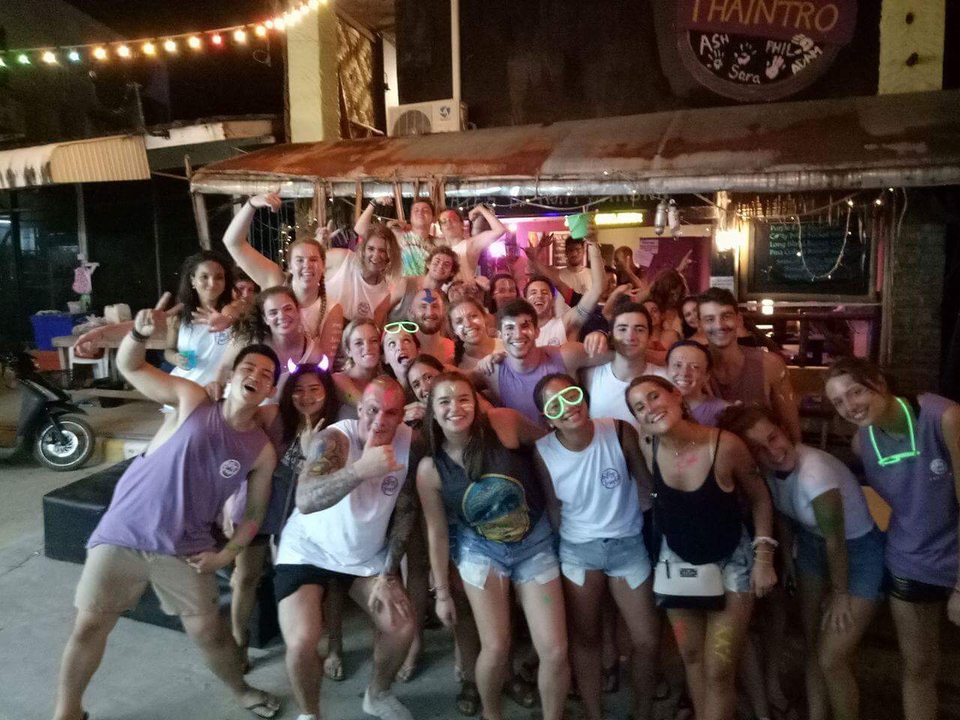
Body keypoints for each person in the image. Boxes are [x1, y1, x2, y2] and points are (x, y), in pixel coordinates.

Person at [53, 296, 281, 720]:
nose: (256, 375)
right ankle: (67, 712)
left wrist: (226, 555)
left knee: (211, 634)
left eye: (267, 375)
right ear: (230, 376)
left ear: (270, 390)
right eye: (249, 368)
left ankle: (241, 689)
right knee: (88, 626)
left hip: (184, 547)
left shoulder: (260, 450)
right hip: (124, 531)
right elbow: (132, 366)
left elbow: (254, 515)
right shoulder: (193, 399)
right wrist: (139, 333)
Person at [417, 371, 570, 720]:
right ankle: (492, 714)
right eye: (444, 401)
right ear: (432, 410)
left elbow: (549, 443)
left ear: (476, 402)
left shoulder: (504, 424)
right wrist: (441, 593)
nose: (454, 407)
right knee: (497, 647)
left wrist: (554, 501)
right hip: (481, 552)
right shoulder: (430, 469)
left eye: (462, 398)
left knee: (556, 649)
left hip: (536, 545)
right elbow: (437, 533)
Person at [719, 404, 884, 720]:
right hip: (810, 546)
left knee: (831, 657)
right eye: (760, 449)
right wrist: (791, 559)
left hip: (857, 552)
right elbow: (782, 511)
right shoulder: (766, 473)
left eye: (774, 437)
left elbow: (836, 541)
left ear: (783, 429)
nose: (774, 452)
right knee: (811, 643)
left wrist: (839, 594)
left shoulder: (815, 474)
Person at [626, 374, 777, 720]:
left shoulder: (724, 445)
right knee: (692, 659)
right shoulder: (649, 447)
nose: (649, 408)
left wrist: (763, 558)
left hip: (731, 564)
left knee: (718, 669)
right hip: (678, 562)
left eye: (653, 396)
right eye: (639, 406)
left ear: (677, 396)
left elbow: (760, 499)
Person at [276, 377, 420, 720]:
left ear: (401, 416)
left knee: (401, 627)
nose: (380, 420)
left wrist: (389, 571)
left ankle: (377, 694)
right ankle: (310, 714)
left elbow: (407, 508)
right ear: (359, 410)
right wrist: (359, 470)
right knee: (302, 641)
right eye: (372, 410)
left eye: (390, 412)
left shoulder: (410, 443)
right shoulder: (335, 438)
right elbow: (306, 499)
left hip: (362, 556)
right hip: (308, 548)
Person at [825, 357, 960, 720]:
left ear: (879, 383)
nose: (850, 406)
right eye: (838, 402)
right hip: (910, 560)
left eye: (855, 391)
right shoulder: (861, 443)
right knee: (918, 667)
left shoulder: (943, 417)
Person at [532, 374, 660, 720]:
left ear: (583, 395)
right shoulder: (542, 451)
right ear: (546, 417)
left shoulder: (619, 431)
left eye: (571, 396)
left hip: (628, 547)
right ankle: (593, 712)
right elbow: (553, 508)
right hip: (579, 552)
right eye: (553, 405)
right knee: (585, 639)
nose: (567, 407)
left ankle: (642, 711)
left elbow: (647, 487)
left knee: (647, 639)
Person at [227, 362, 339, 673]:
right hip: (259, 510)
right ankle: (239, 640)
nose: (306, 397)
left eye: (315, 389)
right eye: (298, 390)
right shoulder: (274, 416)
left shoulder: (334, 429)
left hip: (301, 519)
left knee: (312, 581)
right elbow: (235, 425)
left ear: (327, 393)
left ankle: (319, 643)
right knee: (246, 578)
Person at [221, 193, 343, 361]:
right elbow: (233, 242)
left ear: (323, 266)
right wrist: (251, 205)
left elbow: (324, 363)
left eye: (313, 259)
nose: (307, 265)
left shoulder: (331, 307)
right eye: (300, 260)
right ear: (290, 267)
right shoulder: (274, 280)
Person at [471, 299, 609, 426]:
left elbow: (618, 356)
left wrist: (602, 335)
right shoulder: (492, 371)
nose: (518, 334)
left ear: (537, 332)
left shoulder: (565, 355)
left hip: (572, 444)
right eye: (510, 328)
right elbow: (454, 381)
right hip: (526, 451)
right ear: (500, 336)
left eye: (525, 326)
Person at [697, 287, 801, 443]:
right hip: (714, 457)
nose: (719, 325)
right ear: (700, 325)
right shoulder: (693, 368)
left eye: (726, 316)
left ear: (739, 319)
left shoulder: (770, 364)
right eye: (710, 319)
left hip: (764, 457)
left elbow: (792, 429)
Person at [215, 287, 323, 403]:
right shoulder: (250, 341)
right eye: (273, 312)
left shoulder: (313, 354)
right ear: (265, 319)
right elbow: (224, 368)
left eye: (288, 309)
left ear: (298, 311)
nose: (282, 316)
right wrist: (215, 396)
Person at [583, 302, 669, 425]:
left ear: (649, 336)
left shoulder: (664, 379)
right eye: (622, 329)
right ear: (611, 335)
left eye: (639, 329)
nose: (630, 336)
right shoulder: (590, 375)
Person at [163, 251, 236, 387]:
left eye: (219, 277)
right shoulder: (178, 317)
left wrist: (228, 321)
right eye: (204, 277)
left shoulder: (233, 311)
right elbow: (169, 350)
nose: (212, 283)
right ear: (192, 281)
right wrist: (175, 358)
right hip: (187, 386)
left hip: (223, 389)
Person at [325, 222, 402, 323]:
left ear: (390, 255)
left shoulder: (385, 294)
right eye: (371, 249)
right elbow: (307, 261)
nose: (376, 255)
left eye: (382, 251)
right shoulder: (343, 259)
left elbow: (375, 330)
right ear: (363, 250)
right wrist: (317, 241)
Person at [384, 245, 460, 323]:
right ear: (428, 264)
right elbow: (383, 310)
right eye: (437, 261)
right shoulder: (407, 283)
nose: (440, 266)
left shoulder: (444, 301)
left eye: (446, 264)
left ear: (452, 272)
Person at [438, 204, 508, 283]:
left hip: (464, 293)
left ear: (462, 224)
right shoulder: (439, 249)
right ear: (441, 228)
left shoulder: (470, 244)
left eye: (453, 219)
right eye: (444, 221)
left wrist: (480, 208)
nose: (449, 223)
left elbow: (499, 230)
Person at [666, 340, 728, 427]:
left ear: (706, 376)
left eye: (694, 367)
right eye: (677, 365)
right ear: (667, 369)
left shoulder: (723, 411)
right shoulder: (656, 409)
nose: (684, 373)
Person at [332, 318, 383, 421]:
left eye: (373, 341)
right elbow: (369, 407)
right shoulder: (338, 380)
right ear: (348, 351)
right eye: (359, 343)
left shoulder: (385, 381)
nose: (368, 348)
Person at [448, 299, 503, 372]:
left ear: (485, 318)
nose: (468, 324)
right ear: (454, 330)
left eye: (473, 316)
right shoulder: (453, 363)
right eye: (459, 321)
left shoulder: (507, 345)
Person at [407, 288, 454, 365]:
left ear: (444, 311)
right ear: (412, 313)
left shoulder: (454, 350)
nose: (430, 313)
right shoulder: (404, 349)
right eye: (423, 307)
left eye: (435, 306)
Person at [642, 300, 680, 367]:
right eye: (645, 312)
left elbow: (677, 358)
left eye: (654, 311)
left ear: (662, 315)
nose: (650, 314)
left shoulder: (671, 334)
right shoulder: (638, 337)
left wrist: (642, 352)